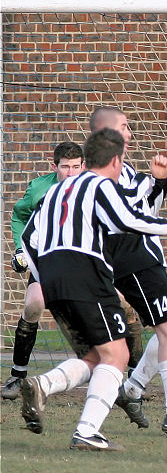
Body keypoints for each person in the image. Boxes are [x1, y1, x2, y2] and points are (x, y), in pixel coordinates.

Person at [18, 128, 167, 451]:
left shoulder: (58, 190)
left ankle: (44, 384)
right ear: (115, 161)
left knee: (97, 355)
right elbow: (130, 221)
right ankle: (86, 431)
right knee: (118, 354)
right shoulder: (100, 186)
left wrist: (43, 274)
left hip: (52, 280)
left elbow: (29, 236)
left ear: (87, 159)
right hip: (85, 275)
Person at [88, 106, 167, 439]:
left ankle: (133, 389)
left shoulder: (122, 170)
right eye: (125, 127)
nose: (130, 133)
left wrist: (158, 181)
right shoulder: (99, 176)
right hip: (134, 262)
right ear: (106, 135)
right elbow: (131, 218)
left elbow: (145, 207)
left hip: (146, 258)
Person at [2, 143, 85, 400]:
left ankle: (127, 377)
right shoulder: (40, 188)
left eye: (75, 167)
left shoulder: (92, 189)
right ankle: (18, 374)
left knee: (110, 308)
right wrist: (20, 250)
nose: (70, 173)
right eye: (64, 167)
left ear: (83, 166)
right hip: (45, 260)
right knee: (33, 305)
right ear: (54, 166)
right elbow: (19, 215)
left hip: (82, 262)